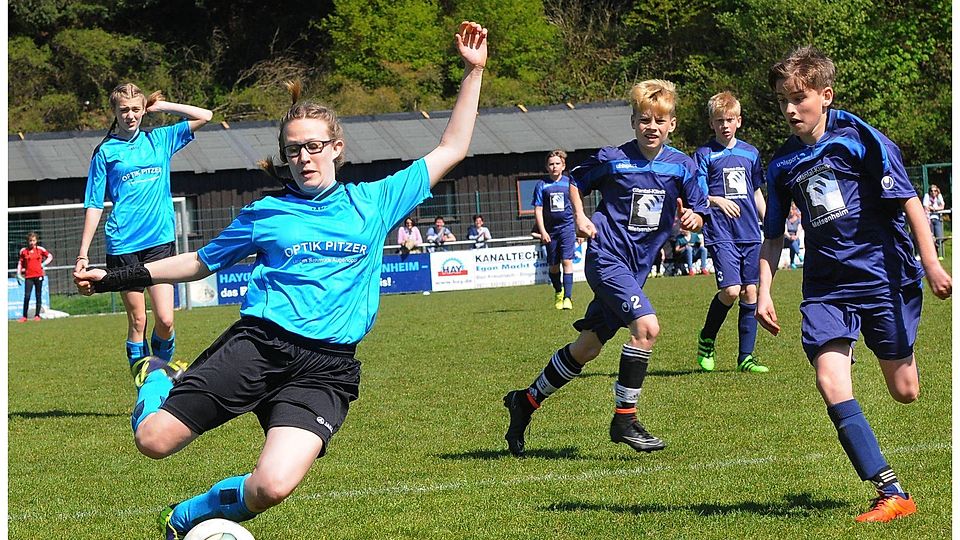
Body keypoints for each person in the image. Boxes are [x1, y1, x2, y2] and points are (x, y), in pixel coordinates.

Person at [74, 21, 488, 539]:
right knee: (154, 440)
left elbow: (451, 148)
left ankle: (187, 516)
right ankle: (156, 372)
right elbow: (200, 263)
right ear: (285, 155)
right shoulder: (266, 212)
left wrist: (472, 73)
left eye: (314, 146)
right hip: (260, 345)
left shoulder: (375, 200)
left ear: (336, 148)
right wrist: (118, 275)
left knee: (272, 486)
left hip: (326, 366)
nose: (304, 157)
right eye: (294, 149)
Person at [757, 46, 951, 524]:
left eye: (798, 98)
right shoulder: (781, 164)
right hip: (825, 286)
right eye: (783, 99)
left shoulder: (857, 137)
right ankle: (890, 490)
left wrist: (931, 263)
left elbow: (908, 200)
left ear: (825, 96)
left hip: (883, 277)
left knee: (905, 391)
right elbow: (774, 233)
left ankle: (895, 351)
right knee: (829, 379)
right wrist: (763, 290)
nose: (789, 109)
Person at [502, 79, 707, 457]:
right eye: (644, 119)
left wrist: (695, 217)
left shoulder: (682, 166)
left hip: (637, 268)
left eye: (659, 121)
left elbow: (698, 206)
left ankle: (525, 402)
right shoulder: (614, 157)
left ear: (672, 124)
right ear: (633, 121)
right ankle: (625, 419)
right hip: (606, 258)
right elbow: (575, 181)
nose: (652, 127)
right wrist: (580, 217)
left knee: (588, 348)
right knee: (647, 328)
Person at [75, 83, 212, 372]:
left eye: (136, 109)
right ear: (114, 111)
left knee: (165, 319)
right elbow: (94, 204)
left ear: (143, 111)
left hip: (160, 242)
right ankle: (145, 386)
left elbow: (206, 115)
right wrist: (83, 254)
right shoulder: (105, 152)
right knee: (138, 320)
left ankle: (160, 372)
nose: (130, 115)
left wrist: (162, 107)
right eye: (123, 110)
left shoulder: (160, 139)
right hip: (123, 244)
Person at [692, 91, 769, 373]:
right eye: (719, 120)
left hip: (749, 231)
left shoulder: (750, 153)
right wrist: (716, 200)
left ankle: (745, 357)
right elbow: (697, 192)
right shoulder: (704, 155)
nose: (725, 125)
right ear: (711, 124)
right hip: (721, 230)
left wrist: (769, 220)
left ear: (739, 121)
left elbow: (757, 191)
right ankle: (707, 338)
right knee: (731, 290)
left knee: (750, 291)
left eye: (729, 120)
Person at [532, 149, 577, 309]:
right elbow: (538, 209)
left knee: (567, 261)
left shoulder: (569, 183)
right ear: (547, 167)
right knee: (553, 265)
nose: (554, 167)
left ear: (563, 165)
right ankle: (558, 291)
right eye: (551, 164)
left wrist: (579, 228)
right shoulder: (542, 185)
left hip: (567, 227)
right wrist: (543, 231)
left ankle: (568, 298)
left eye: (557, 163)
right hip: (551, 230)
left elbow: (576, 205)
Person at [17, 232, 53, 322]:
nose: (32, 242)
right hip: (29, 277)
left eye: (33, 240)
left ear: (36, 241)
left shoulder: (40, 249)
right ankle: (24, 316)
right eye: (30, 241)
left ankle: (37, 315)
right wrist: (18, 273)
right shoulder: (23, 251)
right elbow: (20, 263)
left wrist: (43, 264)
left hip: (38, 276)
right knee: (27, 296)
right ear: (27, 241)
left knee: (38, 295)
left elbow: (50, 256)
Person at [922, 184, 945, 260]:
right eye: (931, 191)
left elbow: (942, 206)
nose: (933, 192)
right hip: (928, 219)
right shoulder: (927, 196)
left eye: (935, 191)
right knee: (930, 237)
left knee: (939, 237)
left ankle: (938, 253)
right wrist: (932, 208)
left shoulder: (939, 196)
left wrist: (934, 209)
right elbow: (925, 206)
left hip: (937, 219)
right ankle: (931, 255)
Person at [784, 203, 803, 268]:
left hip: (795, 237)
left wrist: (796, 236)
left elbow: (799, 229)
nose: (791, 211)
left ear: (795, 210)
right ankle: (799, 254)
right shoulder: (786, 219)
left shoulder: (798, 220)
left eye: (792, 209)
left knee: (794, 242)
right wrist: (789, 237)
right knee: (792, 242)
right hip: (786, 238)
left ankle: (792, 263)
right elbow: (785, 231)